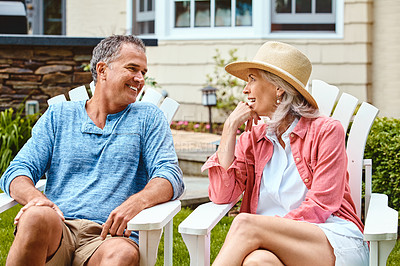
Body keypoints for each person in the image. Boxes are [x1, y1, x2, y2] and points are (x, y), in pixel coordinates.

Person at [0, 35, 184, 266]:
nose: (140, 79)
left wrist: (137, 202)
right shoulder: (60, 116)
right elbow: (18, 171)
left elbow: (169, 174)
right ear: (102, 69)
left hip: (110, 236)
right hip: (58, 227)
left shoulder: (148, 118)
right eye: (132, 69)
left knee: (122, 255)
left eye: (143, 72)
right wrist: (37, 200)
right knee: (36, 215)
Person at [202, 41, 369, 266]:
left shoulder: (326, 131)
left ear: (278, 88)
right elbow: (222, 195)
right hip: (268, 240)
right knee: (257, 262)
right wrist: (229, 128)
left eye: (252, 79)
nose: (245, 89)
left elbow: (321, 205)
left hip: (329, 238)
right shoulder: (254, 138)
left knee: (245, 224)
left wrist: (265, 230)